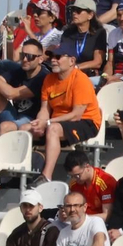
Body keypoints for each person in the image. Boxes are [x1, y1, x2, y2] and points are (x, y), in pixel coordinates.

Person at [31, 42, 103, 183]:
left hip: (86, 122)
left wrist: (49, 122)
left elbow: (76, 115)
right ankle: (17, 176)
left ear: (72, 60)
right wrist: (40, 122)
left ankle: (46, 176)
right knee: (25, 129)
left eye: (58, 57)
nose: (53, 60)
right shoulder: (49, 79)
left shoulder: (81, 79)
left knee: (52, 129)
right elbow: (45, 109)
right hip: (58, 122)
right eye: (51, 56)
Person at [0, 38, 49, 139]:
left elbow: (11, 94)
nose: (25, 59)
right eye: (23, 55)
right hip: (16, 114)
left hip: (31, 120)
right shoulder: (21, 70)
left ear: (40, 59)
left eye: (30, 57)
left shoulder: (43, 77)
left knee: (5, 126)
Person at [59, 0, 107, 84]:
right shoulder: (67, 33)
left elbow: (97, 62)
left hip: (88, 76)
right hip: (69, 74)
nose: (74, 13)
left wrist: (76, 67)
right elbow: (63, 56)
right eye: (73, 10)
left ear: (90, 15)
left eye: (78, 10)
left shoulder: (99, 33)